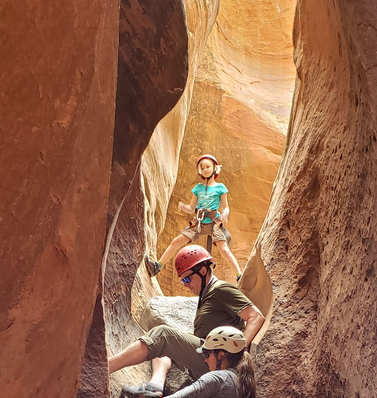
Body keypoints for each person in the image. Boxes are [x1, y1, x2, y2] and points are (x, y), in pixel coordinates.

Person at [110, 245, 265, 398]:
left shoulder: (221, 289)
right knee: (163, 347)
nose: (185, 284)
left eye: (187, 278)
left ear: (203, 271)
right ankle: (155, 386)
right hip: (208, 356)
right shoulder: (206, 295)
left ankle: (105, 367)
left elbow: (255, 317)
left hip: (217, 358)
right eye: (182, 280)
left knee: (163, 335)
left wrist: (238, 350)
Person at [145, 154, 243, 281]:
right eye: (202, 168)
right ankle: (157, 267)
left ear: (215, 168)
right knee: (176, 241)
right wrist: (184, 207)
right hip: (199, 222)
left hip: (214, 222)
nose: (205, 169)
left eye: (208, 166)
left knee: (224, 250)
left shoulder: (221, 187)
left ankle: (239, 275)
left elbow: (226, 207)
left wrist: (225, 213)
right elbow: (192, 208)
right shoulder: (198, 188)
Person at [166, 325, 256, 398]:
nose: (206, 359)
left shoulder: (217, 379)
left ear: (220, 355)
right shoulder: (242, 381)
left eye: (207, 354)